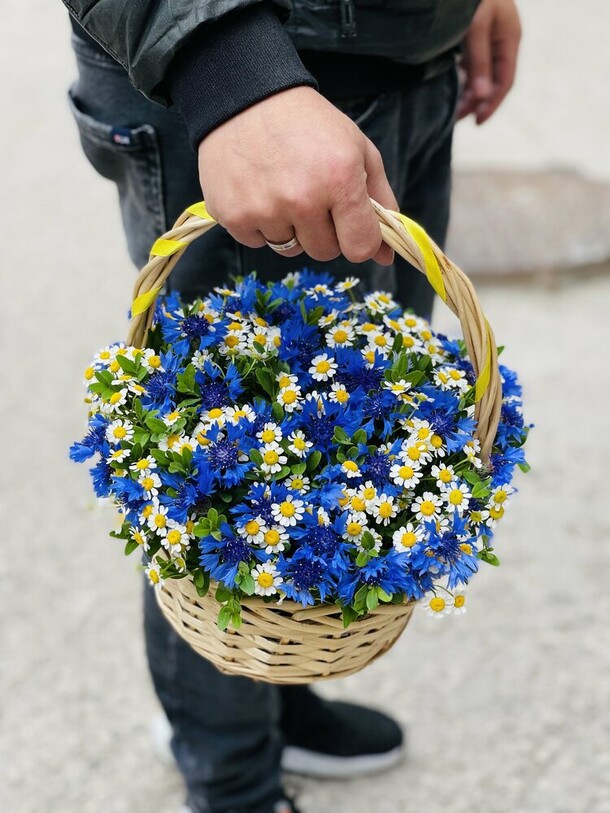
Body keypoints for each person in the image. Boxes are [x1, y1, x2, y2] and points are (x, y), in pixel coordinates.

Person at [64, 1, 521, 811]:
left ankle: (275, 697)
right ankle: (229, 770)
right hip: (238, 81)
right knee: (211, 487)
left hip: (401, 59)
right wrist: (227, 67)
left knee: (358, 412)